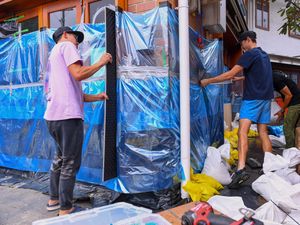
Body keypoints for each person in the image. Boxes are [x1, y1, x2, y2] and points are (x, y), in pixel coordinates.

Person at [44, 26, 112, 215]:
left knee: (60, 159)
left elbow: (74, 93)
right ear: (65, 35)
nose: (77, 43)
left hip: (53, 117)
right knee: (70, 162)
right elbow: (79, 73)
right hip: (68, 117)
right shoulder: (66, 46)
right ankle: (66, 209)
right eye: (76, 38)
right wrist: (101, 62)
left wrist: (96, 97)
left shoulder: (53, 57)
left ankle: (54, 200)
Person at [200, 31, 274, 188]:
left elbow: (230, 73)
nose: (242, 47)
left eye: (242, 44)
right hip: (266, 98)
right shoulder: (264, 55)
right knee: (263, 132)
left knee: (242, 132)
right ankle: (269, 167)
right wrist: (240, 78)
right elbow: (255, 75)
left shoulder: (249, 54)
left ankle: (240, 169)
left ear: (248, 40)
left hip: (253, 98)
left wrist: (209, 81)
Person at [272, 70, 300, 175]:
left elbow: (288, 96)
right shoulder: (275, 76)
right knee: (296, 129)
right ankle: (296, 154)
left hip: (295, 104)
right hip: (297, 102)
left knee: (287, 129)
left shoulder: (274, 78)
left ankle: (289, 155)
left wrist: (282, 110)